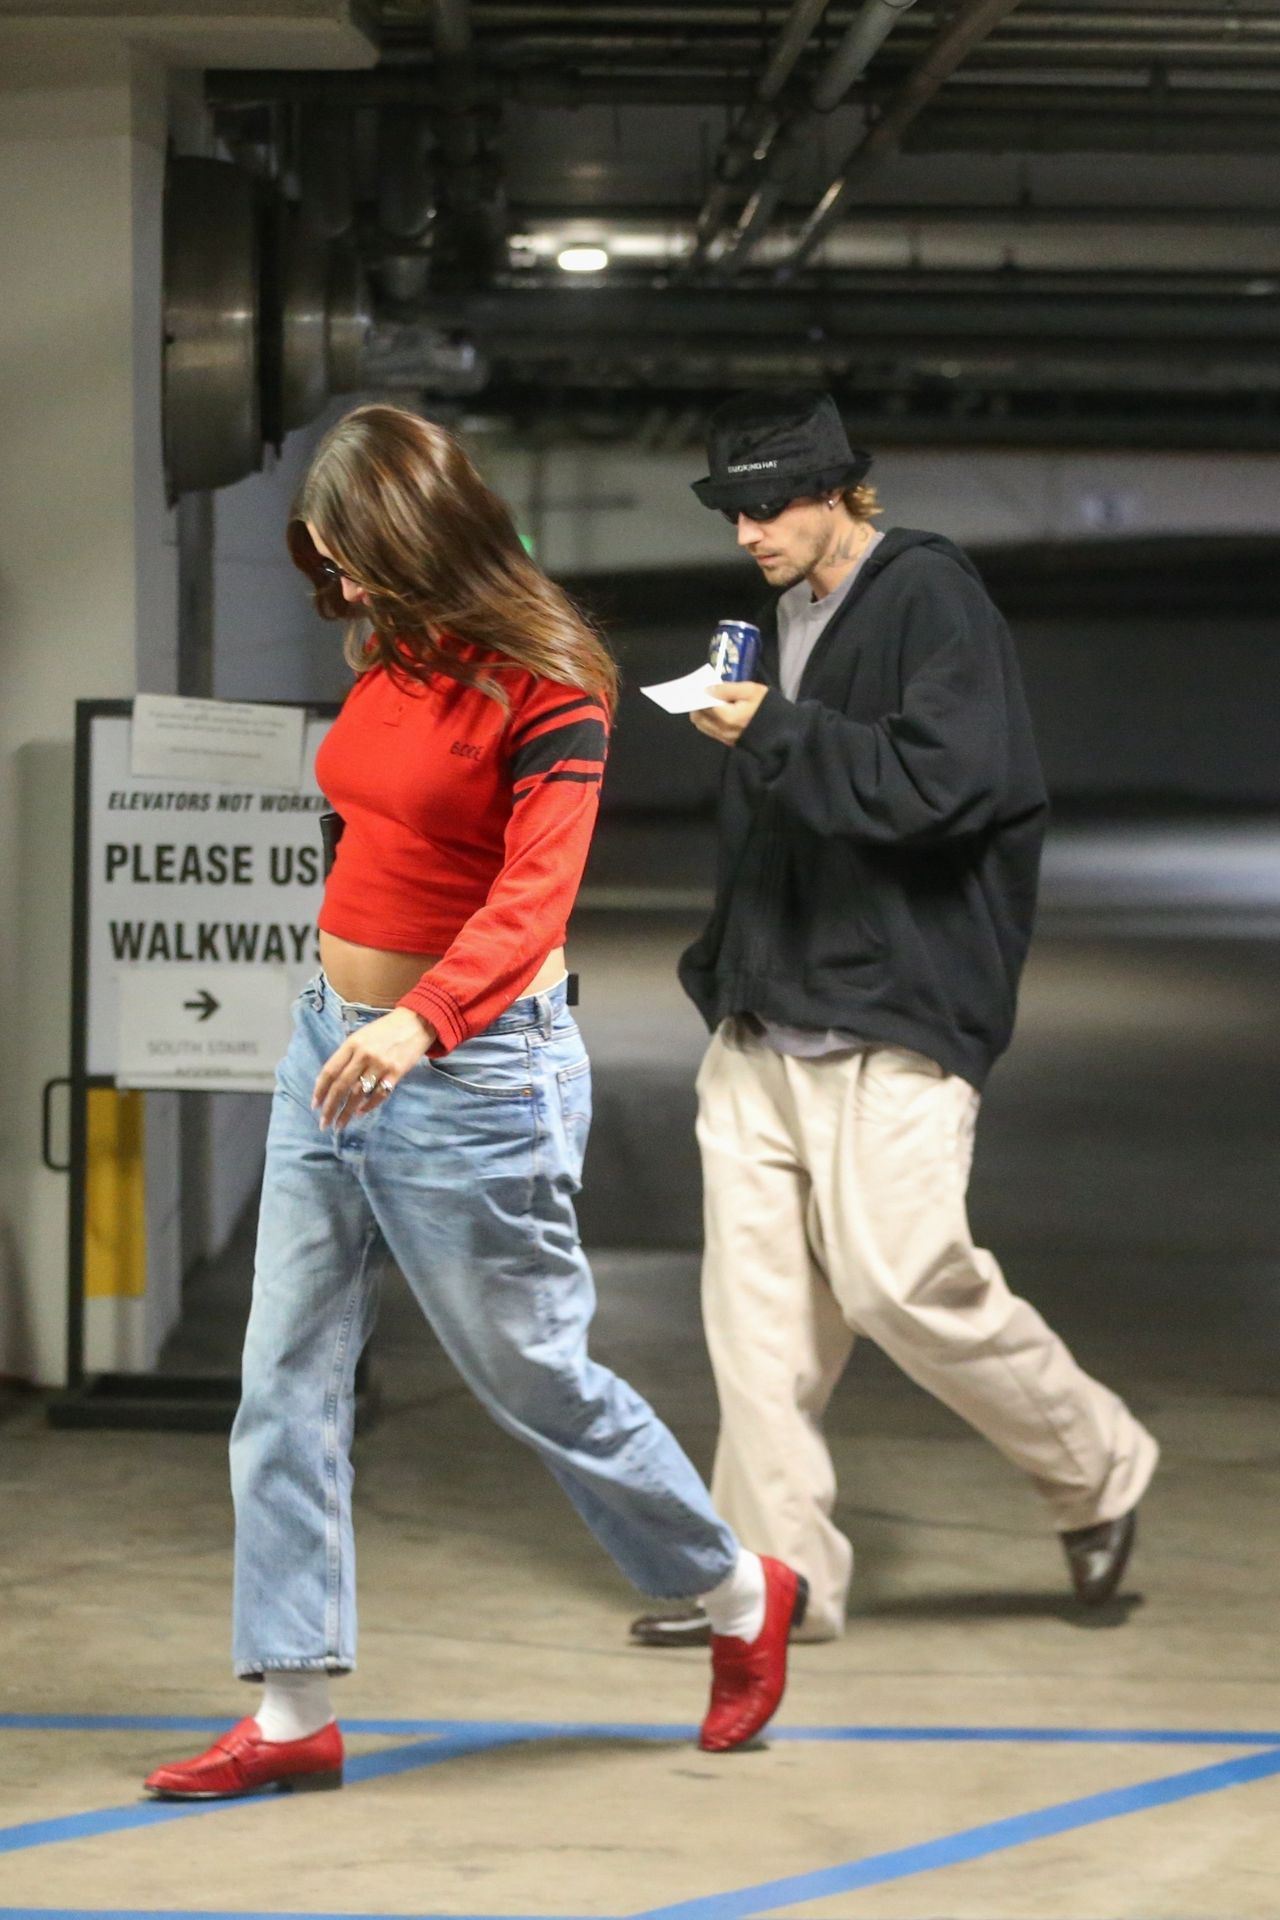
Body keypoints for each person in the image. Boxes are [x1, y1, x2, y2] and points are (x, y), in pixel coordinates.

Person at [143, 404, 803, 1800]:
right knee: (283, 1379)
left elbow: (533, 893)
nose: (346, 587)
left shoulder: (553, 678)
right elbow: (383, 825)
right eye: (331, 565)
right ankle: (293, 1708)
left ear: (419, 534)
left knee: (535, 1378)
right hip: (332, 1046)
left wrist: (422, 1016)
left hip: (474, 1070)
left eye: (359, 558)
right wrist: (355, 999)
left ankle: (741, 1590)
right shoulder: (391, 644)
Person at [630, 389, 1158, 1652]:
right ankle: (774, 1586)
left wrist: (778, 732)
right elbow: (782, 804)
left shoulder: (930, 598)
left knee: (900, 1281)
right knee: (753, 1327)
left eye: (772, 505)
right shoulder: (779, 616)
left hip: (892, 1011)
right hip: (767, 1014)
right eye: (734, 511)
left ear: (838, 495)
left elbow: (944, 790)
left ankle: (1096, 1467)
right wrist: (729, 962)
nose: (751, 531)